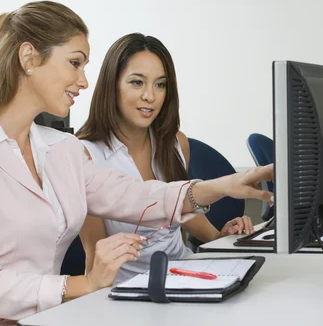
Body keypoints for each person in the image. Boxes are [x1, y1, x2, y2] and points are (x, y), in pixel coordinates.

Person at [0, 1, 273, 326]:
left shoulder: (60, 148)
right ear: (28, 58)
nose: (84, 81)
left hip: (48, 325)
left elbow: (133, 196)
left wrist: (222, 186)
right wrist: (82, 284)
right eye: (75, 62)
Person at [75, 33, 255, 283]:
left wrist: (219, 237)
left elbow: (181, 211)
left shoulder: (174, 142)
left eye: (160, 85)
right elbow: (95, 256)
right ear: (111, 85)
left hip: (187, 275)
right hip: (130, 288)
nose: (150, 95)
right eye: (137, 82)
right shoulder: (84, 156)